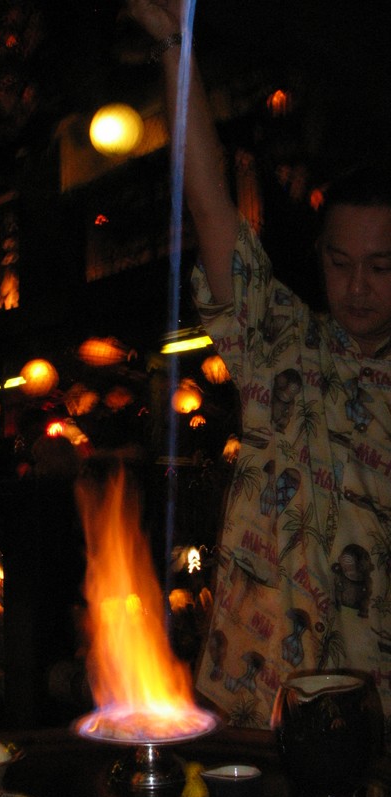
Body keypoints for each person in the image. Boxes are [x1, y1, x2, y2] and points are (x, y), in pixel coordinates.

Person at [127, 0, 391, 736]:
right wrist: (176, 46)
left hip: (376, 722)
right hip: (256, 701)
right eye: (340, 262)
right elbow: (212, 207)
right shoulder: (281, 344)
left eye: (381, 267)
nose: (357, 286)